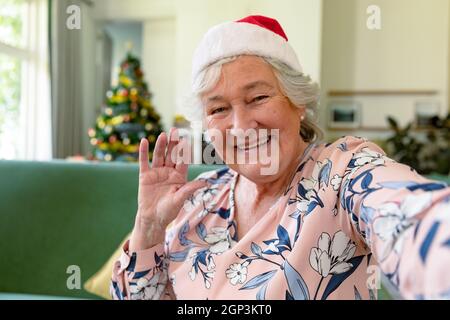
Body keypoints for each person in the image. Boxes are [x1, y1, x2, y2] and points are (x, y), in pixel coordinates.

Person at [111, 15, 450, 300]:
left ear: (297, 102)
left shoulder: (342, 172)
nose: (241, 125)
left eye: (258, 97)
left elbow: (406, 215)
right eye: (218, 109)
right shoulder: (197, 196)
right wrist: (149, 227)